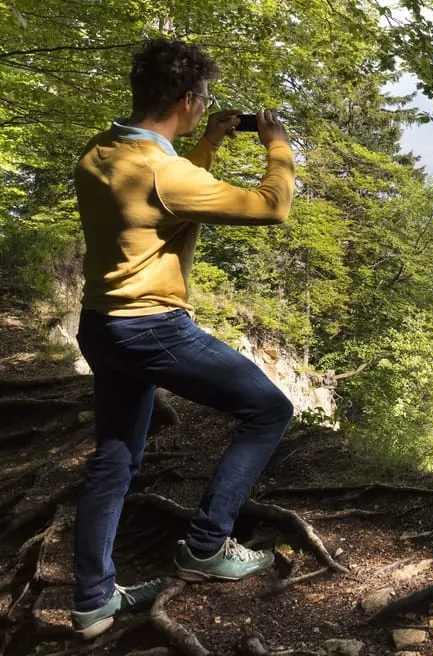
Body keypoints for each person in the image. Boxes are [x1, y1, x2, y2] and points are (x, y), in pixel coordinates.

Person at [70, 39, 297, 639]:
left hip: (101, 325)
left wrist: (211, 143)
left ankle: (93, 601)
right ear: (188, 100)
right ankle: (205, 545)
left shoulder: (102, 151)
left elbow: (164, 195)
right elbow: (272, 207)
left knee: (114, 459)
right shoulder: (164, 171)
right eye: (203, 103)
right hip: (152, 328)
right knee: (269, 408)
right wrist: (277, 147)